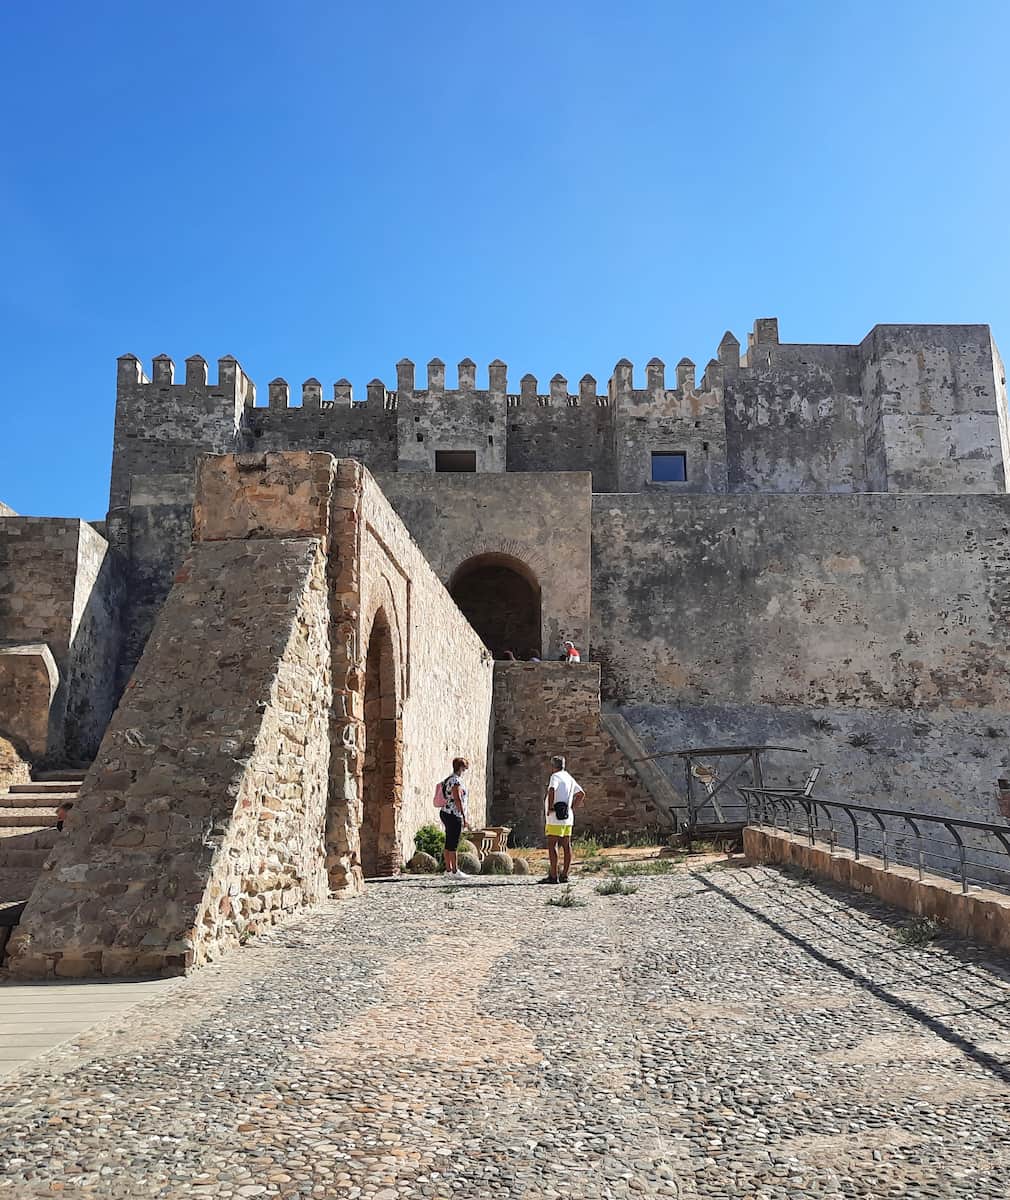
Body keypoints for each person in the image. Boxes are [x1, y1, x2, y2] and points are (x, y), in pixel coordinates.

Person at [538, 754, 585, 884]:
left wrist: (550, 807)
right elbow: (581, 794)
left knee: (552, 844)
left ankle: (553, 875)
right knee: (566, 844)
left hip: (555, 817)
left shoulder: (555, 776)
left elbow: (552, 789)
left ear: (553, 766)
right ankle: (565, 874)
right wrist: (571, 808)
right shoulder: (569, 778)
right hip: (567, 816)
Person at [439, 757, 470, 878]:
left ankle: (448, 870)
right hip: (453, 814)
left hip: (445, 812)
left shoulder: (448, 779)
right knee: (453, 843)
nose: (465, 770)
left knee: (448, 842)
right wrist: (464, 816)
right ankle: (455, 871)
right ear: (461, 768)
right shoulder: (456, 781)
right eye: (464, 768)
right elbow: (457, 799)